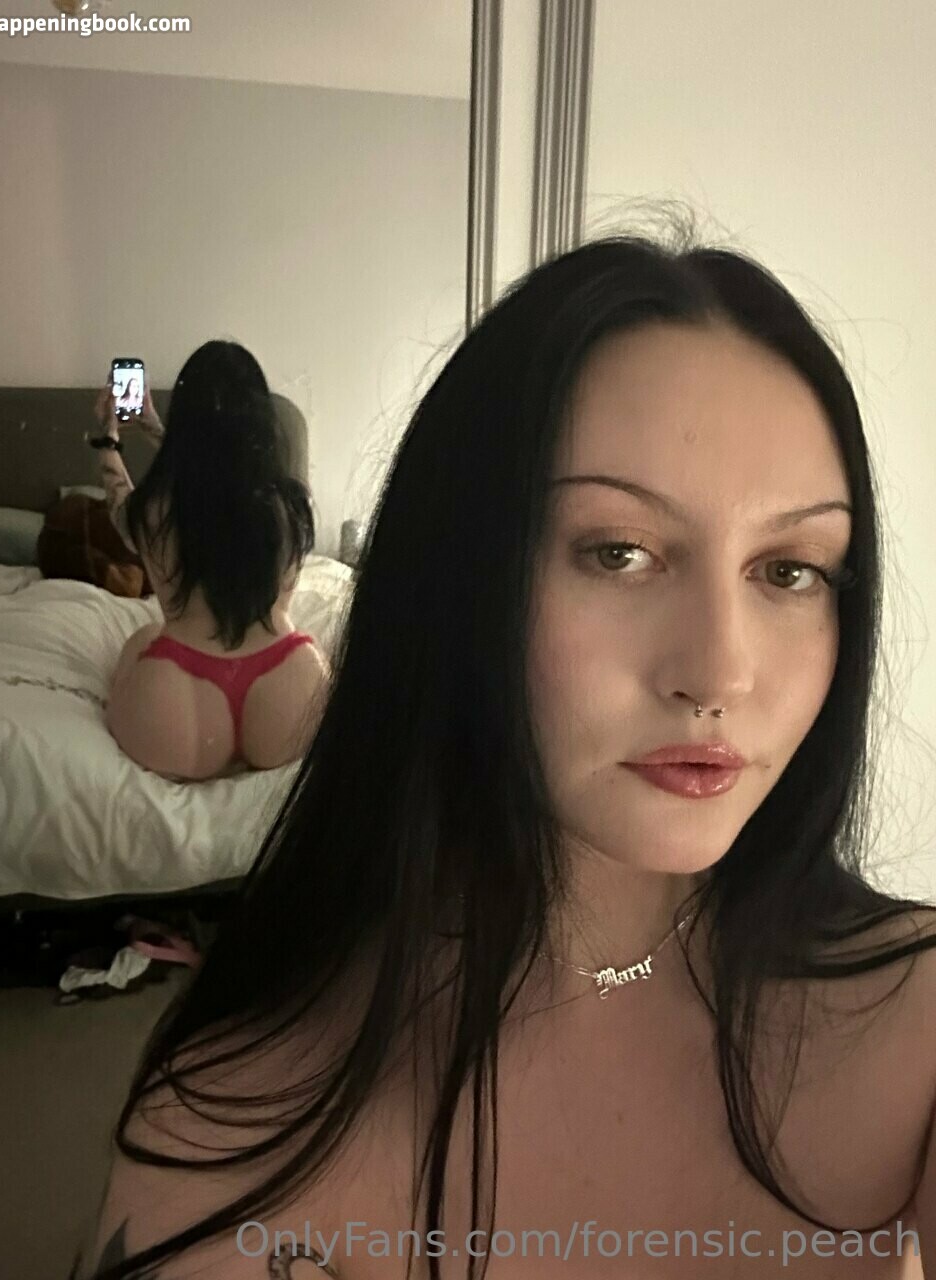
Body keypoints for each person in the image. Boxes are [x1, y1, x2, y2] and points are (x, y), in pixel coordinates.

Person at [73, 224, 936, 1280]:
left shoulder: (917, 1020)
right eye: (619, 552)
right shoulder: (239, 1105)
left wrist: (114, 435)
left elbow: (129, 533)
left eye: (791, 570)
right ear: (456, 570)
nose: (719, 673)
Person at [91, 340, 330, 781]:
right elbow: (222, 471)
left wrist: (109, 439)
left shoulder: (153, 511)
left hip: (174, 705)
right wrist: (155, 429)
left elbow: (127, 504)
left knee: (142, 638)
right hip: (286, 689)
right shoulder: (288, 506)